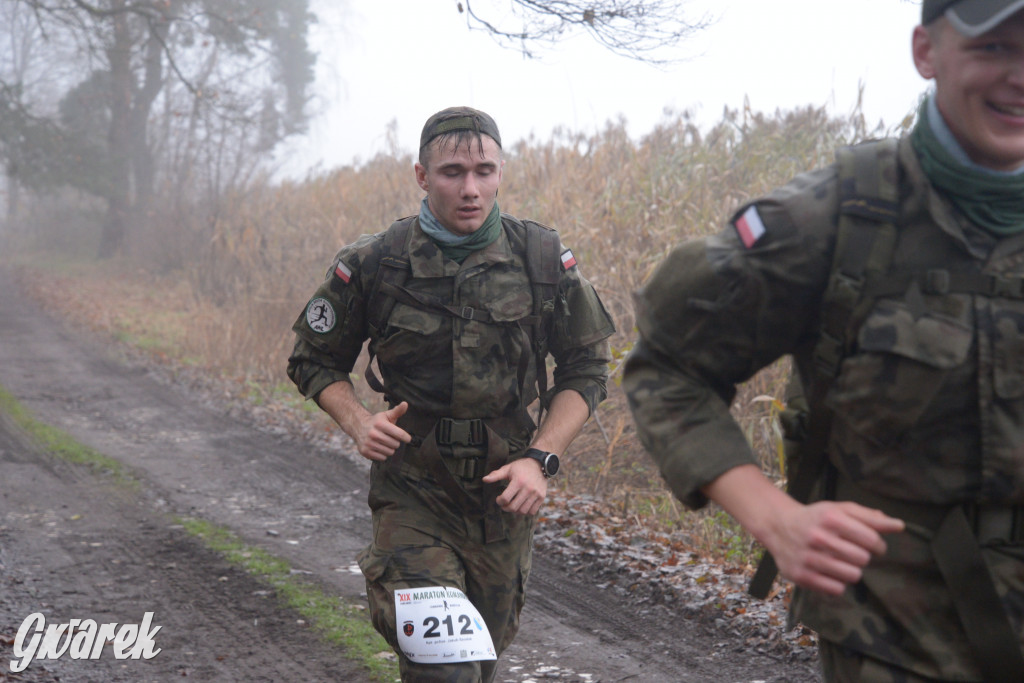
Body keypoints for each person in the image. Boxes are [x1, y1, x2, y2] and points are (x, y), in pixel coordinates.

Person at [623, 2, 1024, 681]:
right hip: (899, 637)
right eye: (995, 50)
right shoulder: (836, 219)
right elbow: (666, 366)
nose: (1019, 76)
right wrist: (772, 515)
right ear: (926, 52)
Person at [287, 106, 614, 683]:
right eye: (452, 172)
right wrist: (358, 421)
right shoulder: (376, 262)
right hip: (414, 492)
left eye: (484, 171)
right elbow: (312, 358)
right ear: (421, 176)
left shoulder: (541, 260)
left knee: (479, 664)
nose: (470, 188)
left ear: (501, 172)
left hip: (501, 503)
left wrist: (541, 459)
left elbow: (587, 369)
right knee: (446, 668)